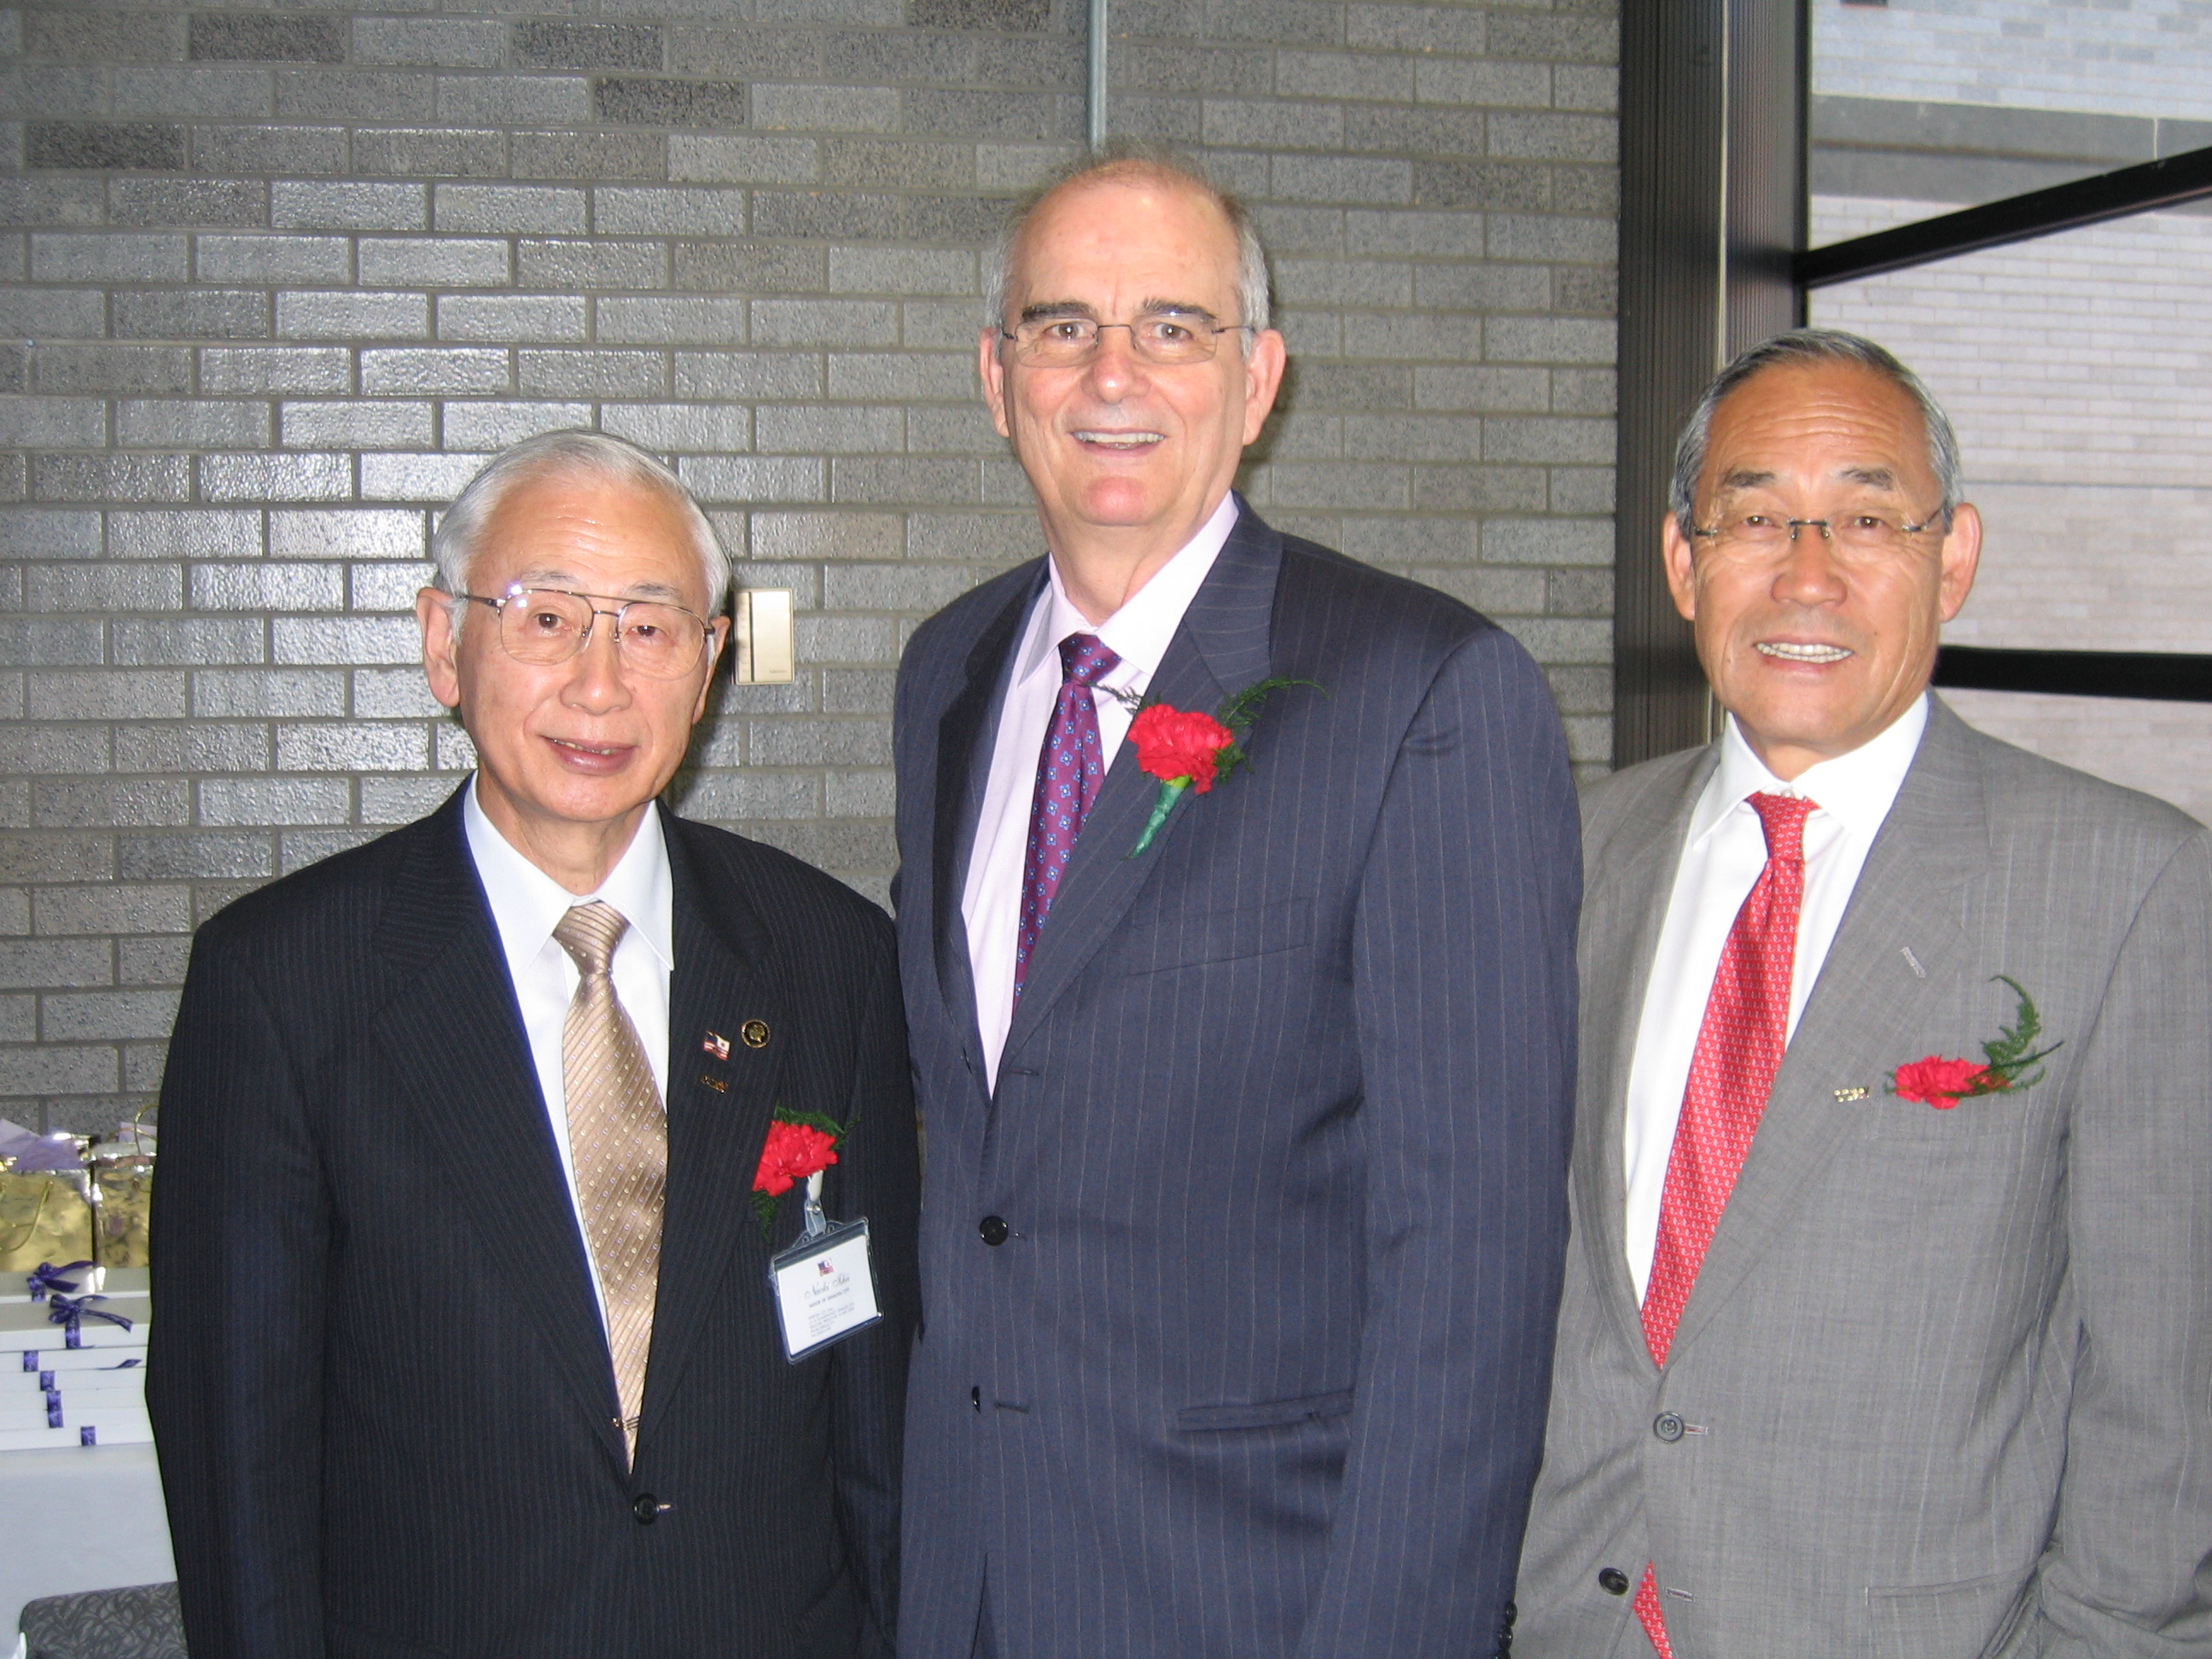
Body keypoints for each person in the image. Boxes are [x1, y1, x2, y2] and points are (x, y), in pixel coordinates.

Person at [890, 147, 1581, 1659]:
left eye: (1175, 327)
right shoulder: (947, 671)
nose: (1111, 373)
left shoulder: (1426, 695)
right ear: (997, 376)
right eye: (1063, 325)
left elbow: (1471, 1260)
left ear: (1259, 378)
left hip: (1254, 1593)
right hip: (969, 1576)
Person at [148, 431, 921, 1658]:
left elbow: (870, 1389)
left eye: (651, 626)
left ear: (710, 660)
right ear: (441, 642)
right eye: (545, 619)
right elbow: (235, 1447)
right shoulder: (284, 982)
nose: (600, 684)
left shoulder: (831, 959)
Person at [1514, 329, 2212, 1656]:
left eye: (1867, 516)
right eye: (1756, 515)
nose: (1808, 573)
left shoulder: (2127, 884)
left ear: (1953, 558)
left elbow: (2166, 1406)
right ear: (1684, 562)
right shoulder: (1573, 856)